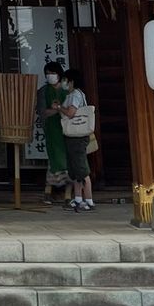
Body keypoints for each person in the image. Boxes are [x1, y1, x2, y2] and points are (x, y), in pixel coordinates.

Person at [57, 66, 95, 211]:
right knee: (75, 170)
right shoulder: (75, 94)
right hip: (73, 135)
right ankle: (78, 198)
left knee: (82, 169)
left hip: (78, 136)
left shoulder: (75, 95)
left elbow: (71, 113)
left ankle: (89, 201)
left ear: (71, 81)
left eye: (65, 80)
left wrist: (59, 107)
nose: (64, 82)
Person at [39, 61, 69, 204]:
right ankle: (50, 191)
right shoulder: (44, 92)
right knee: (54, 160)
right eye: (47, 74)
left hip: (68, 130)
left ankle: (68, 192)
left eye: (52, 73)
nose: (50, 76)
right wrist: (56, 109)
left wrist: (59, 109)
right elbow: (43, 112)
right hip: (52, 130)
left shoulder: (67, 90)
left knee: (69, 160)